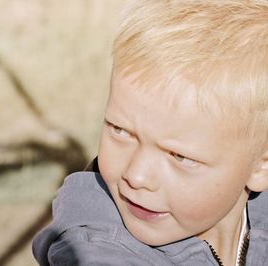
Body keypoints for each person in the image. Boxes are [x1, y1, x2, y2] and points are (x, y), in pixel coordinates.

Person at [32, 0, 268, 265]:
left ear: (261, 165)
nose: (136, 175)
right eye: (120, 131)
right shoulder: (97, 252)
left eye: (179, 156)